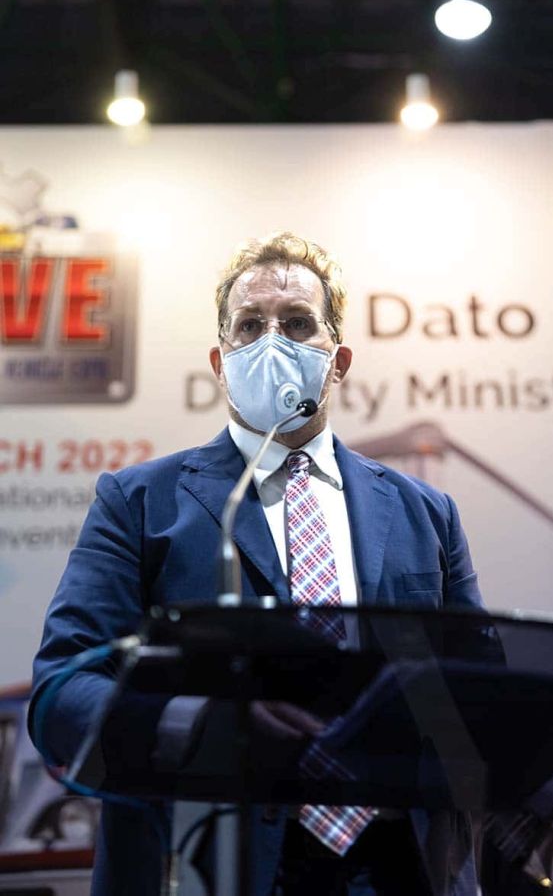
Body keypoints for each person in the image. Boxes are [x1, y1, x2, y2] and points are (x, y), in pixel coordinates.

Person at [30, 232, 485, 896]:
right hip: (207, 861)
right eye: (250, 325)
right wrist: (199, 726)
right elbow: (62, 689)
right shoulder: (139, 501)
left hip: (399, 867)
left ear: (338, 360)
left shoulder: (427, 512)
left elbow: (483, 690)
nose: (272, 342)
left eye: (298, 323)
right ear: (221, 362)